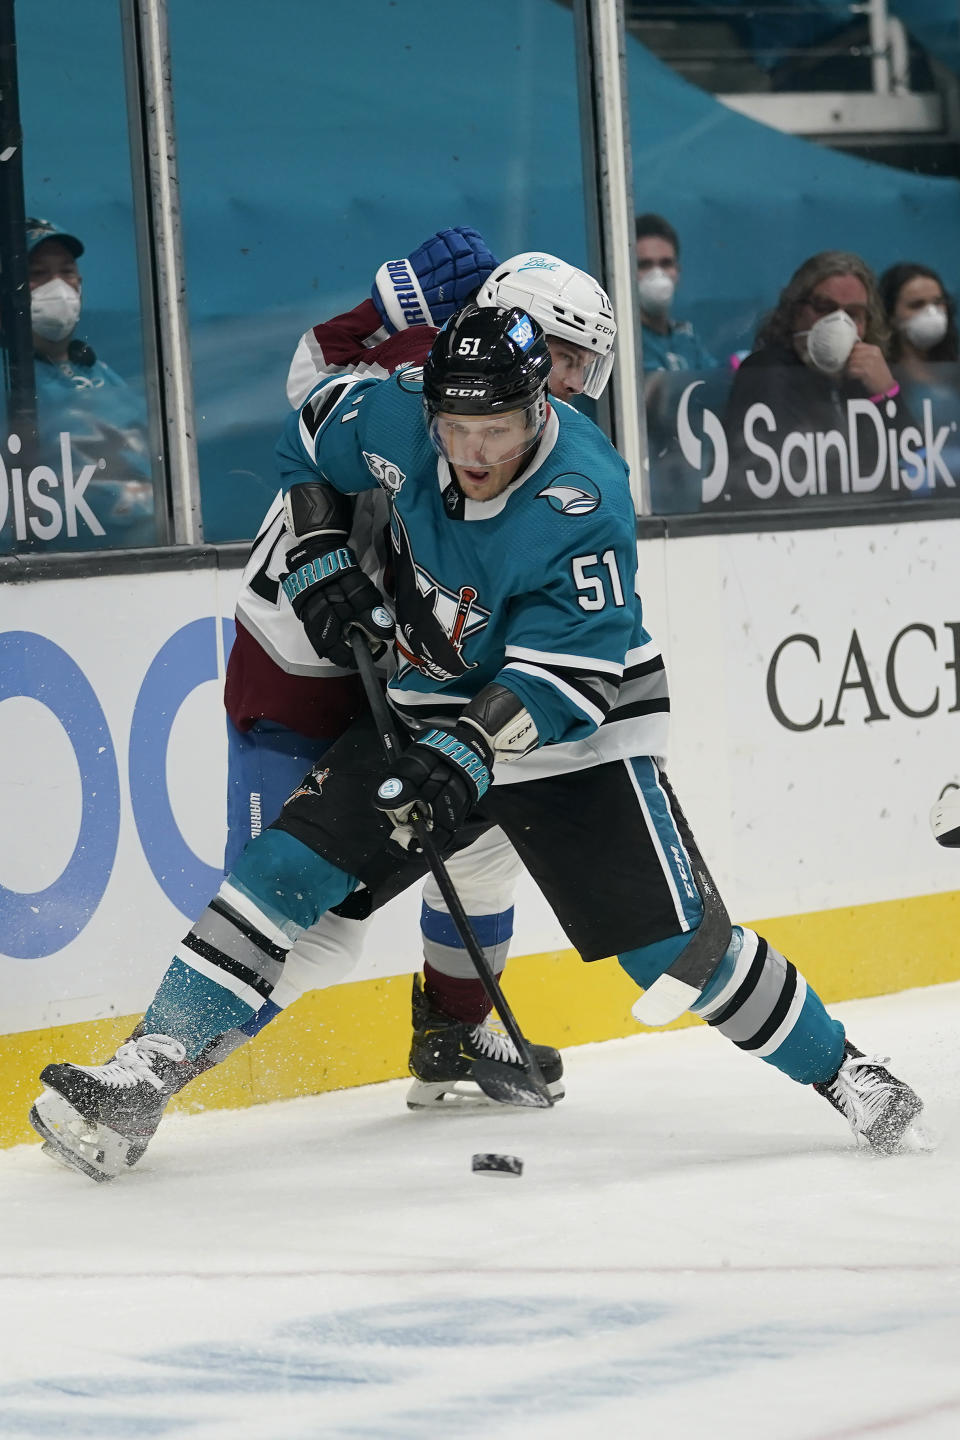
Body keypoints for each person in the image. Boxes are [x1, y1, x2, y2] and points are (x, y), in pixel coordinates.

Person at [30, 302, 927, 1183]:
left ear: (540, 407)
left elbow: (570, 673)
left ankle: (845, 1071)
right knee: (282, 871)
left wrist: (470, 748)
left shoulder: (581, 497)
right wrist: (318, 549)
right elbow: (308, 433)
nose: (475, 454)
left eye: (497, 429)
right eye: (457, 429)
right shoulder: (398, 416)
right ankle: (141, 1073)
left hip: (574, 734)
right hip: (427, 708)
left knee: (673, 949)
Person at [222, 236, 620, 1107]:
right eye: (561, 357)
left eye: (582, 367)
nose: (569, 387)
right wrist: (380, 312)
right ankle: (148, 1072)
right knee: (303, 915)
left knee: (483, 845)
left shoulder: (522, 422)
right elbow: (311, 399)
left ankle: (450, 1031)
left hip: (405, 671)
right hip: (299, 667)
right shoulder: (435, 382)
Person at [720, 250, 922, 509]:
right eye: (824, 308)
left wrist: (886, 394)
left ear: (867, 323)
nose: (839, 322)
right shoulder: (768, 372)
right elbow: (770, 484)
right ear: (795, 312)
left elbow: (921, 470)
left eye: (854, 313)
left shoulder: (864, 382)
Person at [8, 217, 156, 550]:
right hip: (63, 571)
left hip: (152, 558)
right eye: (37, 274)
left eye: (66, 271)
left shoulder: (101, 372)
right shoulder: (9, 382)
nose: (57, 286)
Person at [879, 261, 960, 490]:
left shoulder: (953, 370)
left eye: (938, 302)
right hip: (917, 493)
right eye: (917, 305)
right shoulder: (882, 377)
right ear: (891, 316)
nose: (931, 312)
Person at [634, 213, 717, 374]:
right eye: (645, 265)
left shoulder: (686, 338)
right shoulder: (621, 341)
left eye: (666, 263)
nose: (657, 274)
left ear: (677, 272)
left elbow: (716, 382)